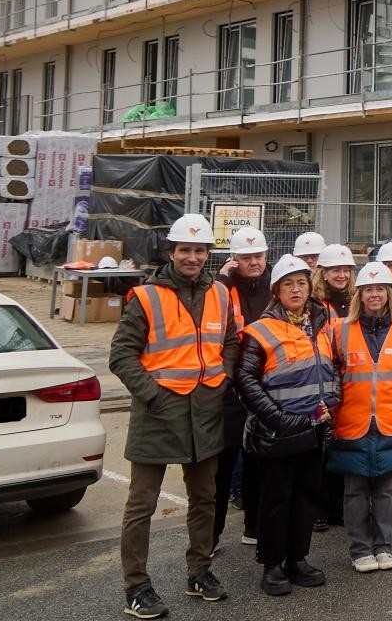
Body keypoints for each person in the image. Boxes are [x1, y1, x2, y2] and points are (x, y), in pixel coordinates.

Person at [110, 213, 237, 619]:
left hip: (205, 411)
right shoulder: (146, 297)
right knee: (141, 504)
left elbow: (231, 343)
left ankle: (199, 572)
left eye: (200, 250)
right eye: (186, 249)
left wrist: (223, 379)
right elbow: (121, 356)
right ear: (172, 252)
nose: (193, 257)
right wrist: (153, 395)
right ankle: (136, 586)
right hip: (158, 414)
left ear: (207, 254)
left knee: (204, 498)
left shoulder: (219, 293)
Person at [235, 255, 340, 597]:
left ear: (310, 288)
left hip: (314, 429)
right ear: (276, 291)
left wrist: (333, 399)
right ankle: (272, 565)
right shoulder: (259, 331)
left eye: (301, 283)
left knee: (306, 497)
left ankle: (297, 558)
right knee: (276, 500)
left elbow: (332, 367)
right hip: (278, 432)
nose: (295, 290)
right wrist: (277, 419)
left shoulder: (321, 325)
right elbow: (245, 380)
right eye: (287, 284)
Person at [328, 261, 392, 573]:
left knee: (385, 490)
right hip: (352, 422)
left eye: (379, 289)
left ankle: (383, 546)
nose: (374, 295)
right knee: (355, 490)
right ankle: (360, 550)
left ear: (389, 293)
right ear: (359, 295)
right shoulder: (339, 330)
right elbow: (330, 372)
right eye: (368, 289)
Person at [213, 226, 272, 551]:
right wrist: (221, 279)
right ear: (233, 259)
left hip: (264, 386)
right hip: (231, 390)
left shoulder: (273, 286)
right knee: (223, 468)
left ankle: (253, 527)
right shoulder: (221, 288)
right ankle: (211, 536)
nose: (254, 262)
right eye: (246, 257)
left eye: (258, 256)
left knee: (257, 464)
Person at [312, 243, 356, 530]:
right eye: (334, 270)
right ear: (323, 273)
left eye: (345, 270)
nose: (341, 275)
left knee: (343, 444)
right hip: (325, 381)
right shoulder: (316, 306)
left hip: (352, 381)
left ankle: (339, 507)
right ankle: (320, 508)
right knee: (321, 446)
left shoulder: (356, 300)